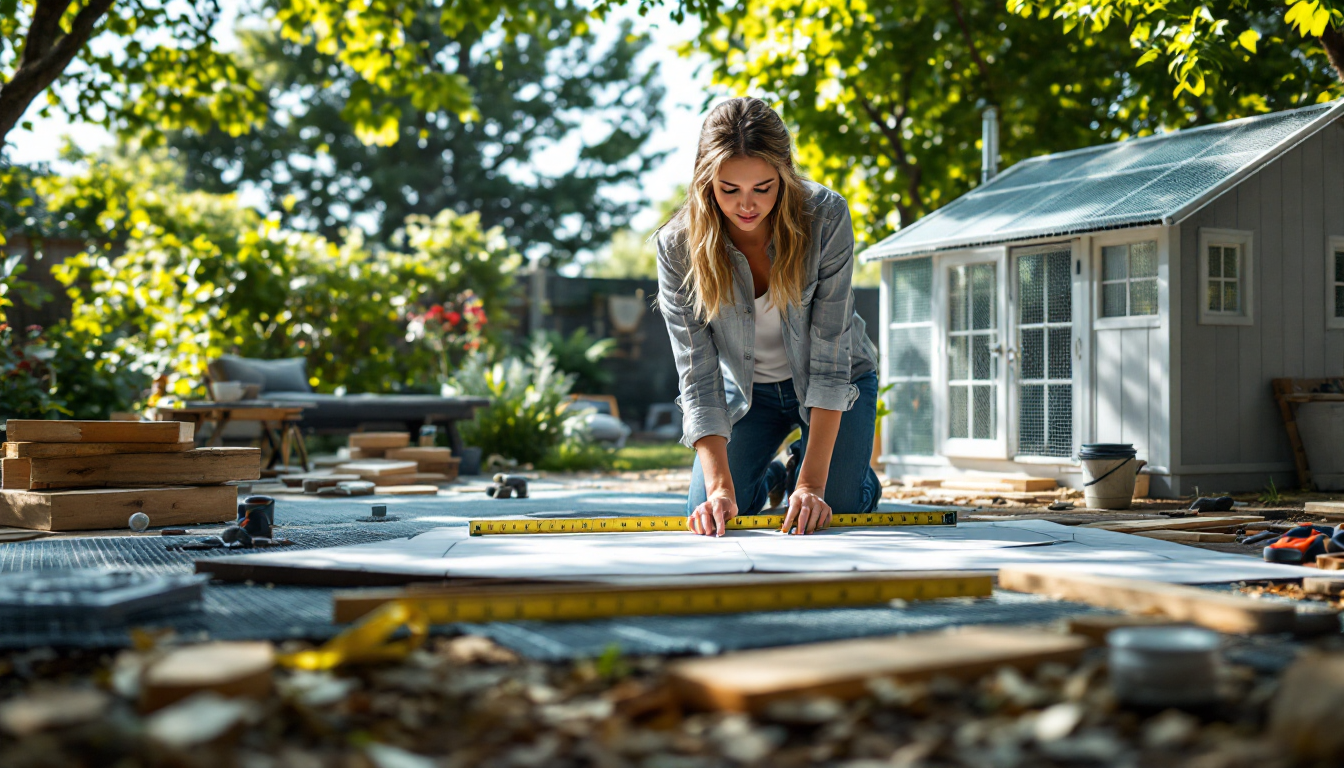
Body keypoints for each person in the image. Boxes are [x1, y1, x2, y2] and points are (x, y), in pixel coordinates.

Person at [655, 97, 882, 538]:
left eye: (763, 188)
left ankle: (845, 478)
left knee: (834, 506)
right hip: (747, 393)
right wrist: (720, 489)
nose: (746, 206)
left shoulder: (825, 216)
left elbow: (832, 357)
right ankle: (779, 477)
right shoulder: (677, 247)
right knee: (712, 510)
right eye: (729, 189)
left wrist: (815, 485)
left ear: (785, 174)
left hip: (837, 383)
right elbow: (698, 376)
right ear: (706, 182)